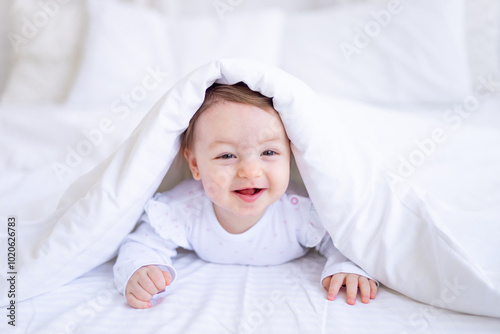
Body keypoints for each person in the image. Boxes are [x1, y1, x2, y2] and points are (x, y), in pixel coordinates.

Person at [113, 82, 378, 309]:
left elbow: (345, 239)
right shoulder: (182, 210)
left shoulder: (302, 211)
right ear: (195, 165)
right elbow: (142, 244)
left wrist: (348, 268)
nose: (250, 171)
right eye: (227, 155)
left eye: (269, 152)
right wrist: (141, 269)